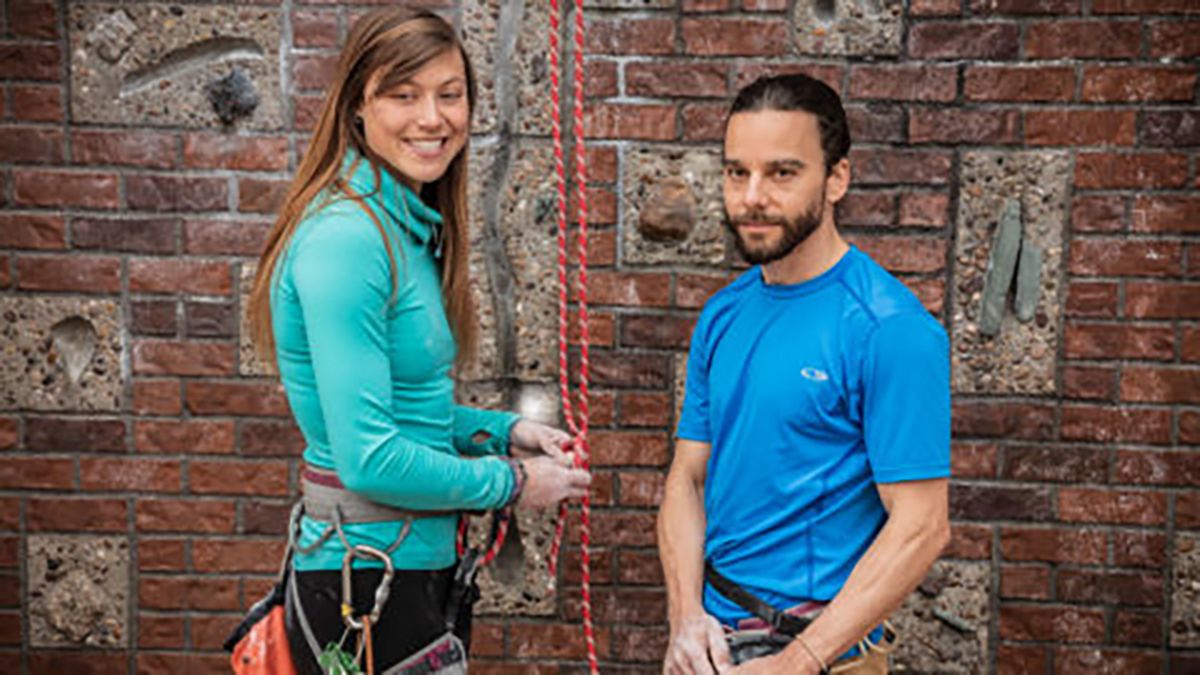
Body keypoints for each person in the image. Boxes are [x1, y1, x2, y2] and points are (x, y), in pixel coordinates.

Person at [244, 7, 590, 673]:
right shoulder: (348, 239)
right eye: (403, 95)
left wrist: (504, 432)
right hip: (366, 583)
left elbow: (404, 411)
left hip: (399, 574)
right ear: (357, 108)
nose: (432, 118)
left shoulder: (401, 223)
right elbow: (371, 457)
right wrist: (513, 482)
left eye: (449, 94)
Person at [657, 74, 951, 675]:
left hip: (818, 656)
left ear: (836, 178)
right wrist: (685, 618)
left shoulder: (889, 328)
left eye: (782, 173)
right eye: (737, 172)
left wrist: (795, 663)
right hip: (708, 647)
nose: (752, 196)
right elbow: (687, 480)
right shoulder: (723, 314)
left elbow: (923, 528)